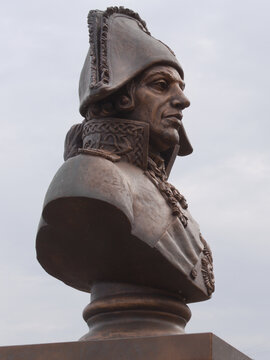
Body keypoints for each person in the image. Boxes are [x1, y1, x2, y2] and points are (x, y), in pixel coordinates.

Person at [36, 7, 214, 306]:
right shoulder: (88, 177)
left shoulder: (162, 193)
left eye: (180, 88)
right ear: (121, 97)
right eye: (161, 85)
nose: (183, 100)